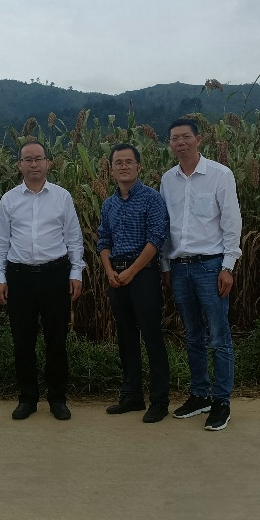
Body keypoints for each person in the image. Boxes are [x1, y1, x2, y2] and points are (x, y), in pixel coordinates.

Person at [0, 141, 85, 421]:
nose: (34, 164)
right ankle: (27, 398)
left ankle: (57, 398)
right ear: (19, 165)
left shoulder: (62, 197)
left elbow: (74, 239)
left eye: (38, 159)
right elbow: (1, 242)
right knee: (23, 341)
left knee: (57, 340)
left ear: (48, 163)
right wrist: (0, 277)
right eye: (28, 160)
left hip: (55, 275)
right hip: (19, 276)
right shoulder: (9, 199)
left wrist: (76, 273)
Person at [160, 119, 243, 431]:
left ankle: (221, 400)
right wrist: (166, 266)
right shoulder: (168, 180)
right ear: (170, 144)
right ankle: (199, 395)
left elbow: (232, 223)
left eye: (186, 137)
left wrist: (228, 266)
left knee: (219, 337)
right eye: (175, 138)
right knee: (192, 335)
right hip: (180, 268)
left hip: (211, 267)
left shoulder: (220, 175)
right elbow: (166, 226)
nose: (180, 143)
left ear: (199, 139)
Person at [97, 143, 172, 423]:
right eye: (118, 163)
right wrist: (109, 271)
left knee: (151, 336)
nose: (124, 166)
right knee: (126, 336)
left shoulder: (152, 199)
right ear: (111, 170)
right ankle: (132, 395)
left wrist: (131, 271)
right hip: (116, 275)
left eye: (129, 162)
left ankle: (159, 401)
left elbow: (156, 238)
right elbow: (103, 241)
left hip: (143, 274)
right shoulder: (109, 203)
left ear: (139, 167)